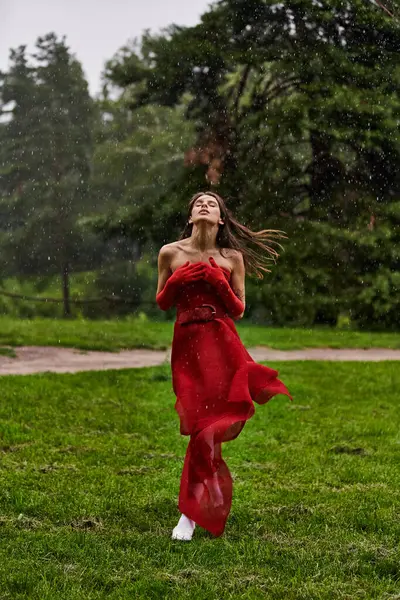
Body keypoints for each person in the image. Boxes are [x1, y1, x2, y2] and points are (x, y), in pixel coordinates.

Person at [156, 191, 292, 541]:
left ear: (220, 219)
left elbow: (238, 308)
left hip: (221, 345)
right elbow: (162, 302)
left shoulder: (232, 257)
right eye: (198, 203)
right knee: (200, 424)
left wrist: (218, 281)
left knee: (208, 427)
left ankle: (189, 513)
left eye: (211, 203)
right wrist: (177, 280)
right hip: (186, 347)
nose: (204, 205)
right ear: (190, 217)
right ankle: (207, 493)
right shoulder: (170, 253)